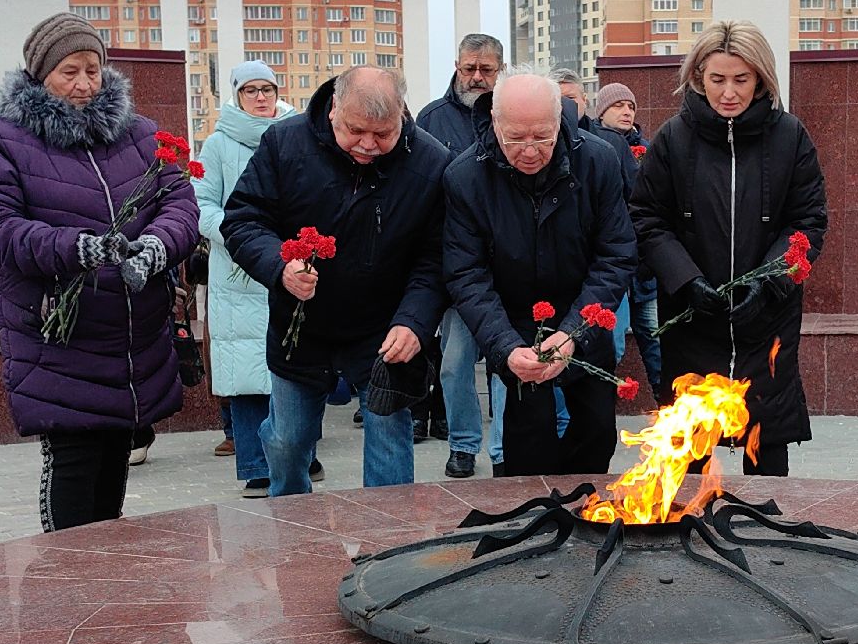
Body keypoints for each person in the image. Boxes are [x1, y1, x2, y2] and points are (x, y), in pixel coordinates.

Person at [0, 12, 198, 530]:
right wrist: (78, 249)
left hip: (129, 334)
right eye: (70, 70)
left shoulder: (138, 135)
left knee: (114, 455)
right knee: (74, 458)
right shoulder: (0, 139)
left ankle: (105, 574)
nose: (84, 84)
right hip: (59, 334)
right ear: (41, 72)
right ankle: (63, 581)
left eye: (93, 69)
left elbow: (178, 200)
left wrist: (158, 247)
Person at [221, 66, 448, 496]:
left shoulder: (431, 163)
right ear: (333, 111)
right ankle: (291, 530)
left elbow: (435, 258)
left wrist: (415, 322)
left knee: (388, 441)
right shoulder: (285, 144)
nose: (368, 145)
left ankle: (388, 541)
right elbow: (244, 220)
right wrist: (279, 266)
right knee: (288, 441)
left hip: (385, 329)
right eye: (356, 130)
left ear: (401, 114)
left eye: (382, 134)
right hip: (302, 324)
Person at [631, 20, 828, 477]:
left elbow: (808, 221)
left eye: (741, 79)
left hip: (766, 320)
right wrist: (687, 280)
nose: (729, 93)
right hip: (695, 319)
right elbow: (646, 217)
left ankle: (768, 534)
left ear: (761, 77)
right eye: (717, 79)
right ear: (698, 76)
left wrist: (770, 280)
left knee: (768, 437)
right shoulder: (674, 140)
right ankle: (684, 536)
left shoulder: (790, 136)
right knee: (689, 448)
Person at [445, 71, 635, 476]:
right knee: (526, 453)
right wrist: (506, 347)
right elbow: (466, 273)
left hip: (584, 319)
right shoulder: (465, 176)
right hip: (515, 329)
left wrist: (574, 335)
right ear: (495, 122)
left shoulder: (598, 160)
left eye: (542, 136)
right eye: (514, 138)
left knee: (596, 436)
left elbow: (615, 255)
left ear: (560, 120)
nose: (529, 151)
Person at [195, 60, 322, 497]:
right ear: (236, 95)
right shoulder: (217, 144)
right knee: (245, 369)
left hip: (291, 266)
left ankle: (300, 453)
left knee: (295, 360)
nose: (261, 97)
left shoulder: (300, 133)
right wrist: (236, 236)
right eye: (250, 90)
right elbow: (202, 203)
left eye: (267, 88)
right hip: (237, 270)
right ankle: (254, 465)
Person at [414, 33, 504, 480]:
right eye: (469, 67)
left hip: (509, 263)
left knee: (510, 363)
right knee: (454, 363)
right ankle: (464, 445)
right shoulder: (431, 119)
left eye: (486, 69)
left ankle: (503, 447)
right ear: (456, 64)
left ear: (500, 70)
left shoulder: (511, 112)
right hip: (457, 263)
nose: (476, 77)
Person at [585, 82, 665, 403]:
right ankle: (598, 407)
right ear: (602, 111)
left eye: (630, 106)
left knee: (656, 338)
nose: (626, 111)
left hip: (644, 268)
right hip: (610, 268)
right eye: (618, 105)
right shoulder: (591, 148)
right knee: (611, 343)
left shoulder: (648, 149)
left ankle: (668, 406)